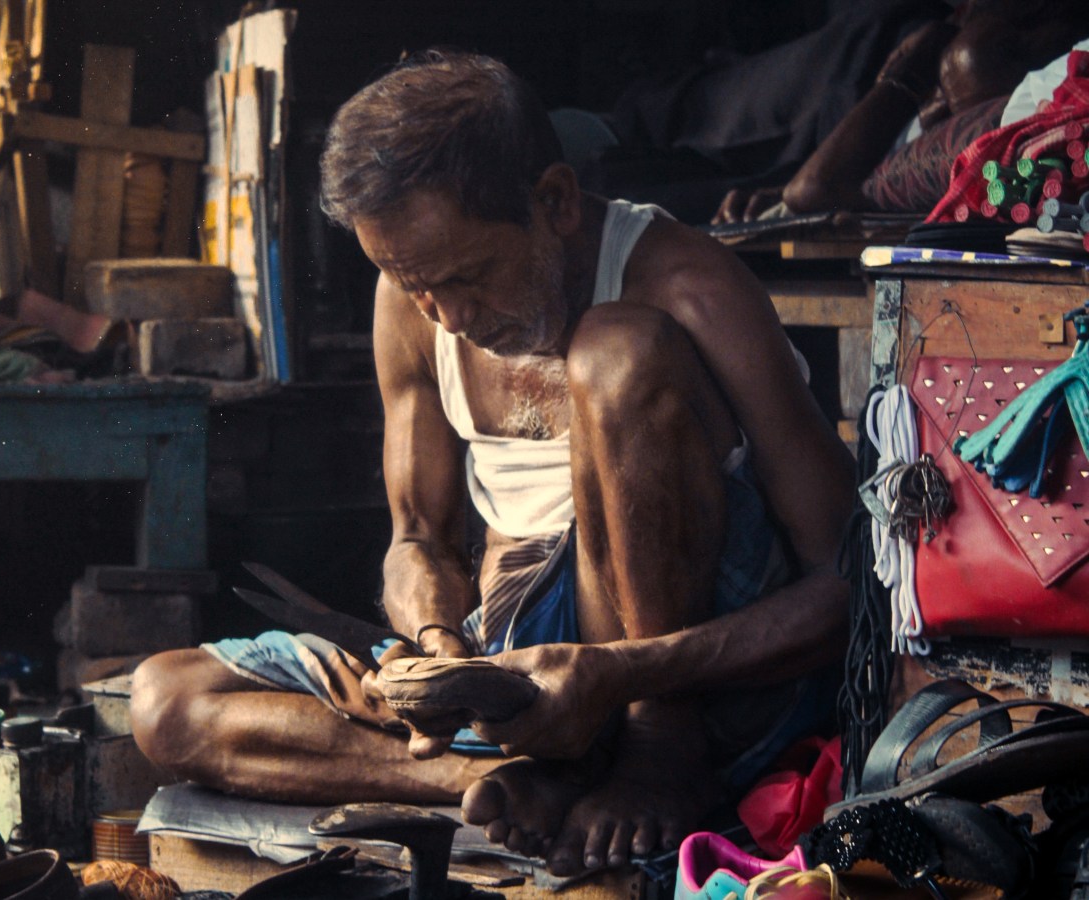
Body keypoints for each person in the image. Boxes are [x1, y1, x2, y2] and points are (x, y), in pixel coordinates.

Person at [130, 50, 855, 877]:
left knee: (617, 351)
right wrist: (437, 647)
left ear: (554, 202)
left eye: (469, 276)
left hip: (685, 680)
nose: (450, 315)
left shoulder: (688, 285)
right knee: (167, 703)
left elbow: (845, 582)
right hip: (522, 681)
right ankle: (516, 776)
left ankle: (657, 753)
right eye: (416, 286)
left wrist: (627, 682)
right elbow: (417, 541)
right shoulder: (416, 298)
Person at [711, 0, 1089, 223]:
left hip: (864, 116)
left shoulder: (1003, 105)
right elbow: (810, 189)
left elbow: (811, 189)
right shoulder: (956, 52)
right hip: (871, 57)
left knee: (695, 193)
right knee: (696, 112)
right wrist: (919, 59)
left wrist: (904, 80)